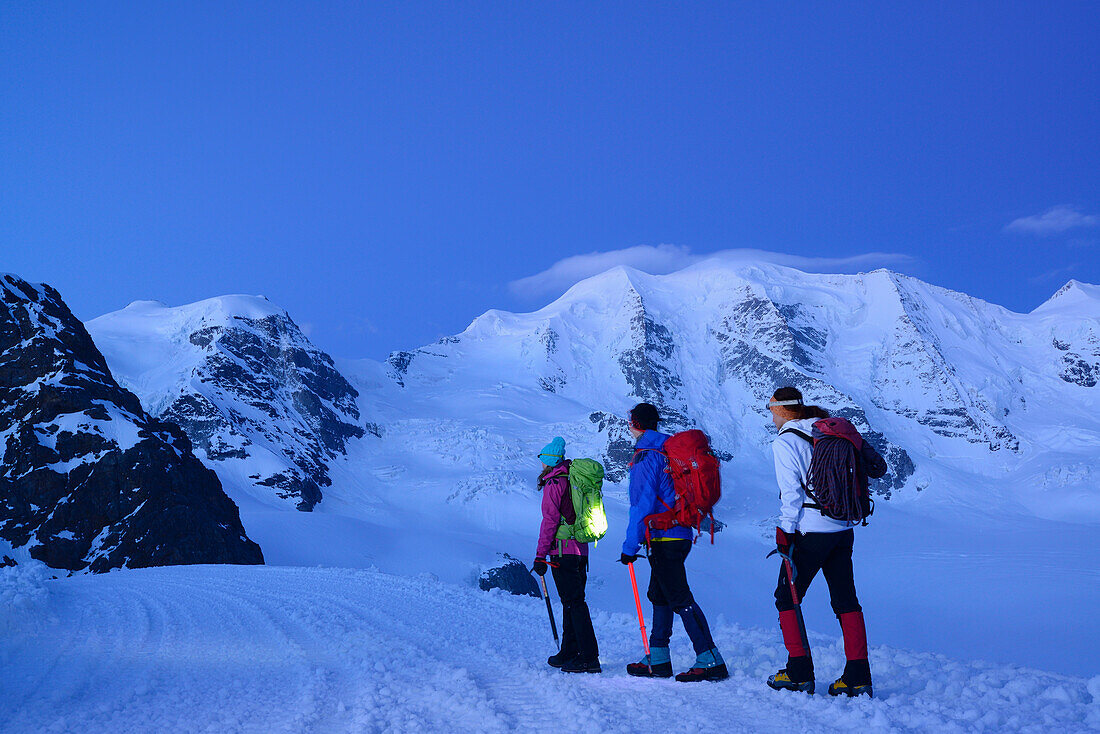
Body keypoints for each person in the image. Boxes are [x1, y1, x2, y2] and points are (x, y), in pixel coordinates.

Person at [765, 386, 873, 697]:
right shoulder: (822, 431)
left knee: (787, 598)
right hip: (843, 526)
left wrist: (784, 534)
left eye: (770, 408)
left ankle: (798, 672)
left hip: (810, 531)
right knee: (846, 600)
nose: (770, 414)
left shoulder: (786, 442)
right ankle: (857, 676)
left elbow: (792, 495)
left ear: (783, 409)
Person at [619, 403, 728, 682]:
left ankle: (710, 658)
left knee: (679, 596)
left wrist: (629, 546)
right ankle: (658, 657)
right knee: (660, 593)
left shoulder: (646, 456)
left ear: (635, 423)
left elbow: (641, 505)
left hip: (663, 536)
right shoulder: (668, 450)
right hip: (679, 533)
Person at [533, 436, 600, 673]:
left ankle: (589, 658)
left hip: (562, 551)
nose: (541, 464)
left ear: (550, 460)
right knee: (572, 601)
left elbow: (550, 521)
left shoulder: (554, 483)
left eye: (542, 459)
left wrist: (541, 555)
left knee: (574, 602)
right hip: (580, 550)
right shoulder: (572, 479)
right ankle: (569, 651)